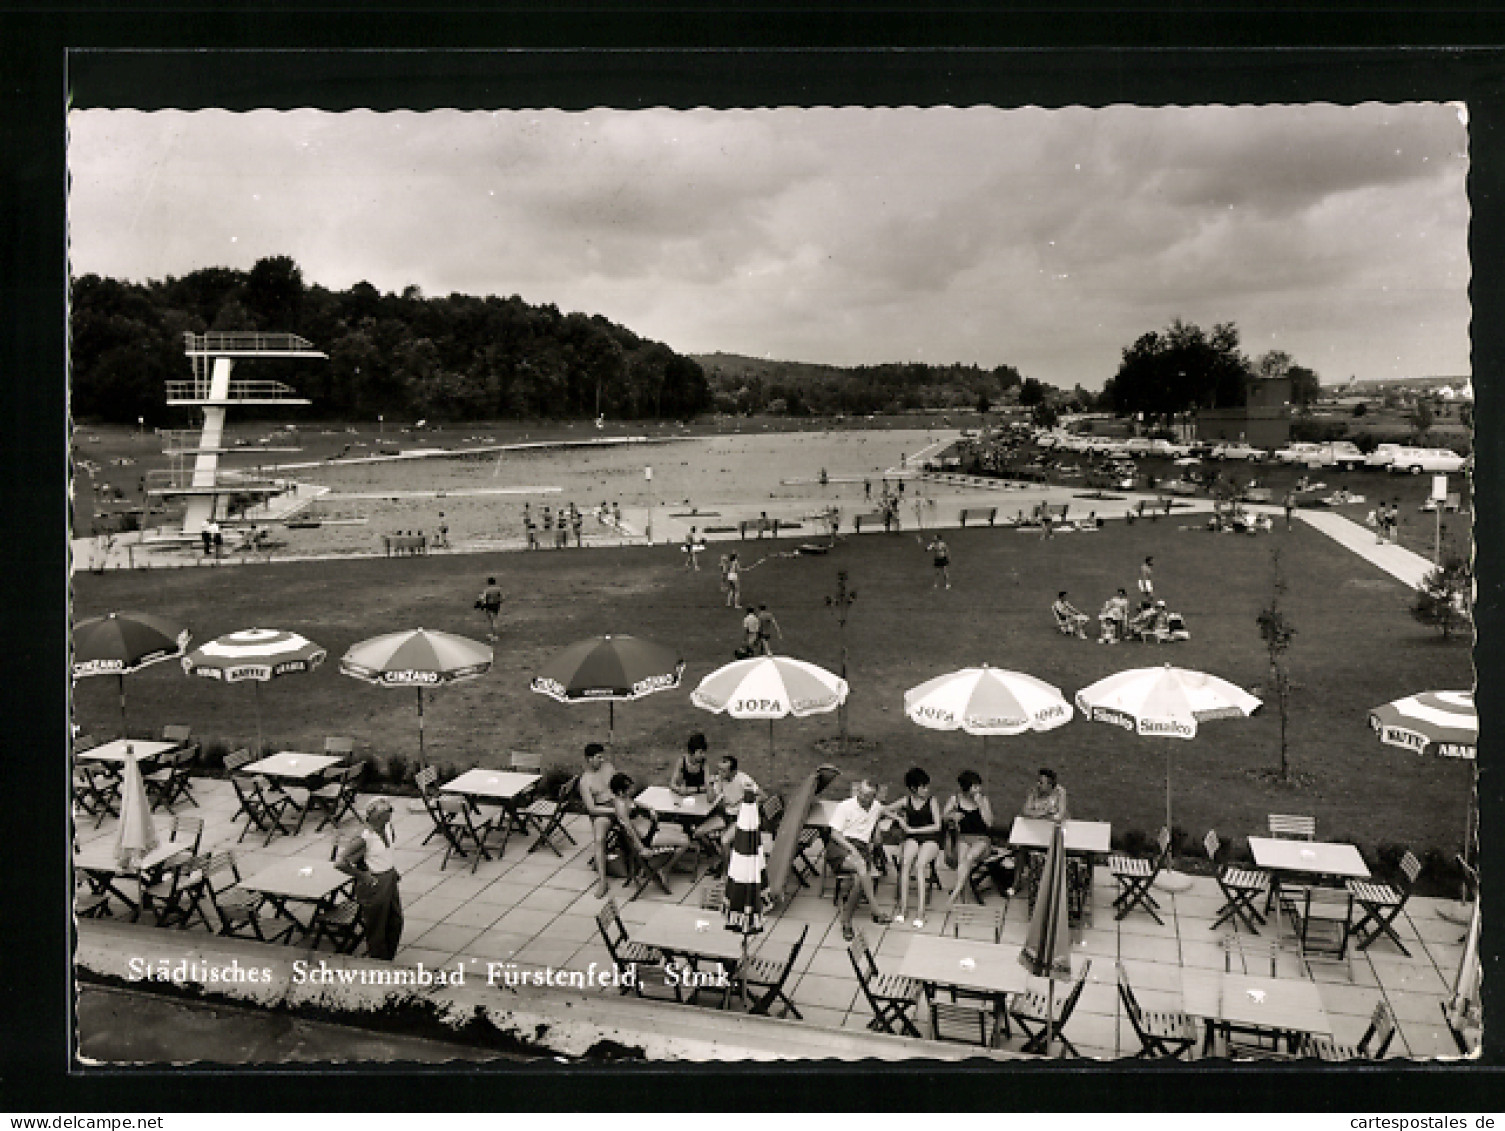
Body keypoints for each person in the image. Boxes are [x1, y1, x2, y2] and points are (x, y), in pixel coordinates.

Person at [334, 798, 404, 961]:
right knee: (377, 927)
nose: (391, 814)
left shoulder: (388, 827)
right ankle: (379, 962)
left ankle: (388, 957)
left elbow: (386, 852)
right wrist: (363, 876)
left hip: (389, 879)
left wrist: (391, 869)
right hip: (375, 885)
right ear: (377, 816)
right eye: (388, 811)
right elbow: (341, 863)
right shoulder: (364, 837)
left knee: (395, 921)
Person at [828, 780, 895, 941]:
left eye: (866, 795)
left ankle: (846, 922)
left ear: (874, 796)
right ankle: (876, 910)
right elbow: (834, 834)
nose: (861, 796)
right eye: (860, 792)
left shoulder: (876, 807)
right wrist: (852, 849)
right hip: (841, 846)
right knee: (861, 865)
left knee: (859, 881)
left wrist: (895, 820)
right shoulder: (845, 806)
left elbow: (885, 812)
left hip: (862, 848)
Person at [890, 767, 943, 928]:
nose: (926, 790)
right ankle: (903, 908)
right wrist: (899, 820)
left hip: (930, 838)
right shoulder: (906, 801)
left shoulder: (932, 801)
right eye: (923, 787)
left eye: (927, 786)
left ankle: (921, 912)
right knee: (905, 863)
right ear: (914, 788)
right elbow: (884, 809)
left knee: (920, 865)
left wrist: (913, 829)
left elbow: (937, 826)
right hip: (912, 838)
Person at [607, 772, 667, 894]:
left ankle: (661, 867)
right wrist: (641, 848)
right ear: (620, 792)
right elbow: (629, 830)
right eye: (629, 788)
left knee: (679, 829)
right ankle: (663, 869)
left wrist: (649, 808)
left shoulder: (625, 798)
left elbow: (635, 802)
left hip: (649, 828)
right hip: (646, 836)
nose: (632, 790)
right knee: (684, 840)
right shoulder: (621, 806)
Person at [944, 770, 997, 905]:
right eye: (975, 786)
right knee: (963, 861)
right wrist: (952, 816)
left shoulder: (983, 800)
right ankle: (963, 901)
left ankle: (954, 895)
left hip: (981, 840)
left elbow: (990, 823)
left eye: (979, 786)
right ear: (967, 788)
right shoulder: (955, 800)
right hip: (963, 838)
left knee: (968, 857)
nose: (979, 789)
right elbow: (943, 817)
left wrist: (981, 806)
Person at [696, 755, 759, 864]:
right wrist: (709, 784)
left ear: (733, 771)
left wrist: (745, 804)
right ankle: (719, 857)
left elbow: (762, 796)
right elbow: (711, 799)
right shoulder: (721, 780)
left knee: (724, 840)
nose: (720, 773)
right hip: (726, 815)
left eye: (724, 771)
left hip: (739, 818)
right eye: (719, 769)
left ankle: (726, 874)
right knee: (698, 833)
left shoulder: (743, 779)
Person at [577, 743, 619, 898]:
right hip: (602, 812)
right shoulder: (585, 781)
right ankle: (603, 881)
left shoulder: (608, 768)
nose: (602, 760)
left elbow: (619, 785)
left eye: (603, 756)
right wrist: (613, 811)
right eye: (598, 757)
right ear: (589, 759)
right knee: (600, 838)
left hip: (616, 804)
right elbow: (592, 809)